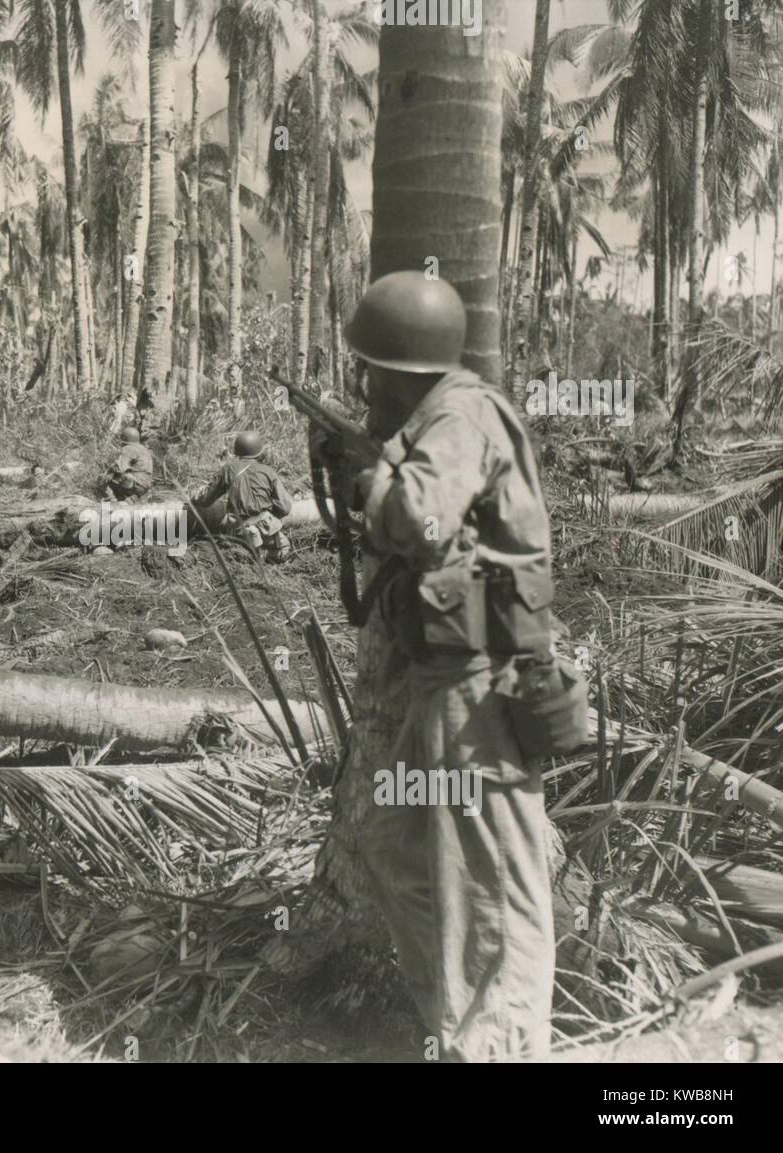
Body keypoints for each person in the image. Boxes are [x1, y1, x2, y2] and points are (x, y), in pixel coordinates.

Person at [344, 269, 557, 1062]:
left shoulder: (460, 415)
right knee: (398, 846)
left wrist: (370, 484)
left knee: (502, 874)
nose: (364, 384)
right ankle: (457, 1026)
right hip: (446, 678)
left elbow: (424, 518)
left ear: (402, 370)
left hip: (481, 685)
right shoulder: (438, 419)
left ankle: (502, 1045)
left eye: (371, 370)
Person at [191, 431, 293, 562]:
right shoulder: (269, 472)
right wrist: (270, 513)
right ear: (259, 451)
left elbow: (204, 499)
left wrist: (191, 496)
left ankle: (248, 557)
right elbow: (285, 507)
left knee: (241, 556)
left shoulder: (228, 470)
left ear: (237, 451)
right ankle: (265, 563)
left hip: (238, 530)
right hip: (265, 527)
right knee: (284, 549)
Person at [105, 425, 154, 500]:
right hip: (146, 485)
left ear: (124, 438)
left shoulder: (128, 448)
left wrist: (108, 469)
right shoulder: (144, 449)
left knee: (109, 481)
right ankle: (130, 498)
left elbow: (119, 468)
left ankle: (111, 501)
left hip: (134, 483)